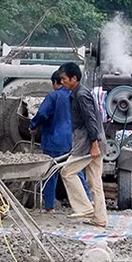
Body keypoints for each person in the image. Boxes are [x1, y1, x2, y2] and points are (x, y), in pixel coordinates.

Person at [29, 71, 90, 213]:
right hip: (74, 140)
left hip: (54, 140)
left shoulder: (53, 96)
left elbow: (42, 113)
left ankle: (49, 207)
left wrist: (33, 125)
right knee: (76, 171)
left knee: (50, 172)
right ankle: (88, 201)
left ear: (55, 83)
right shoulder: (76, 95)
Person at [59, 62, 107, 228]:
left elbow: (90, 119)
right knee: (94, 181)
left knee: (67, 172)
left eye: (65, 79)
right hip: (96, 140)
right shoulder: (79, 93)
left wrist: (94, 144)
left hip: (89, 142)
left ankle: (85, 208)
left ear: (74, 78)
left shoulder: (81, 95)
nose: (62, 82)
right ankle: (100, 218)